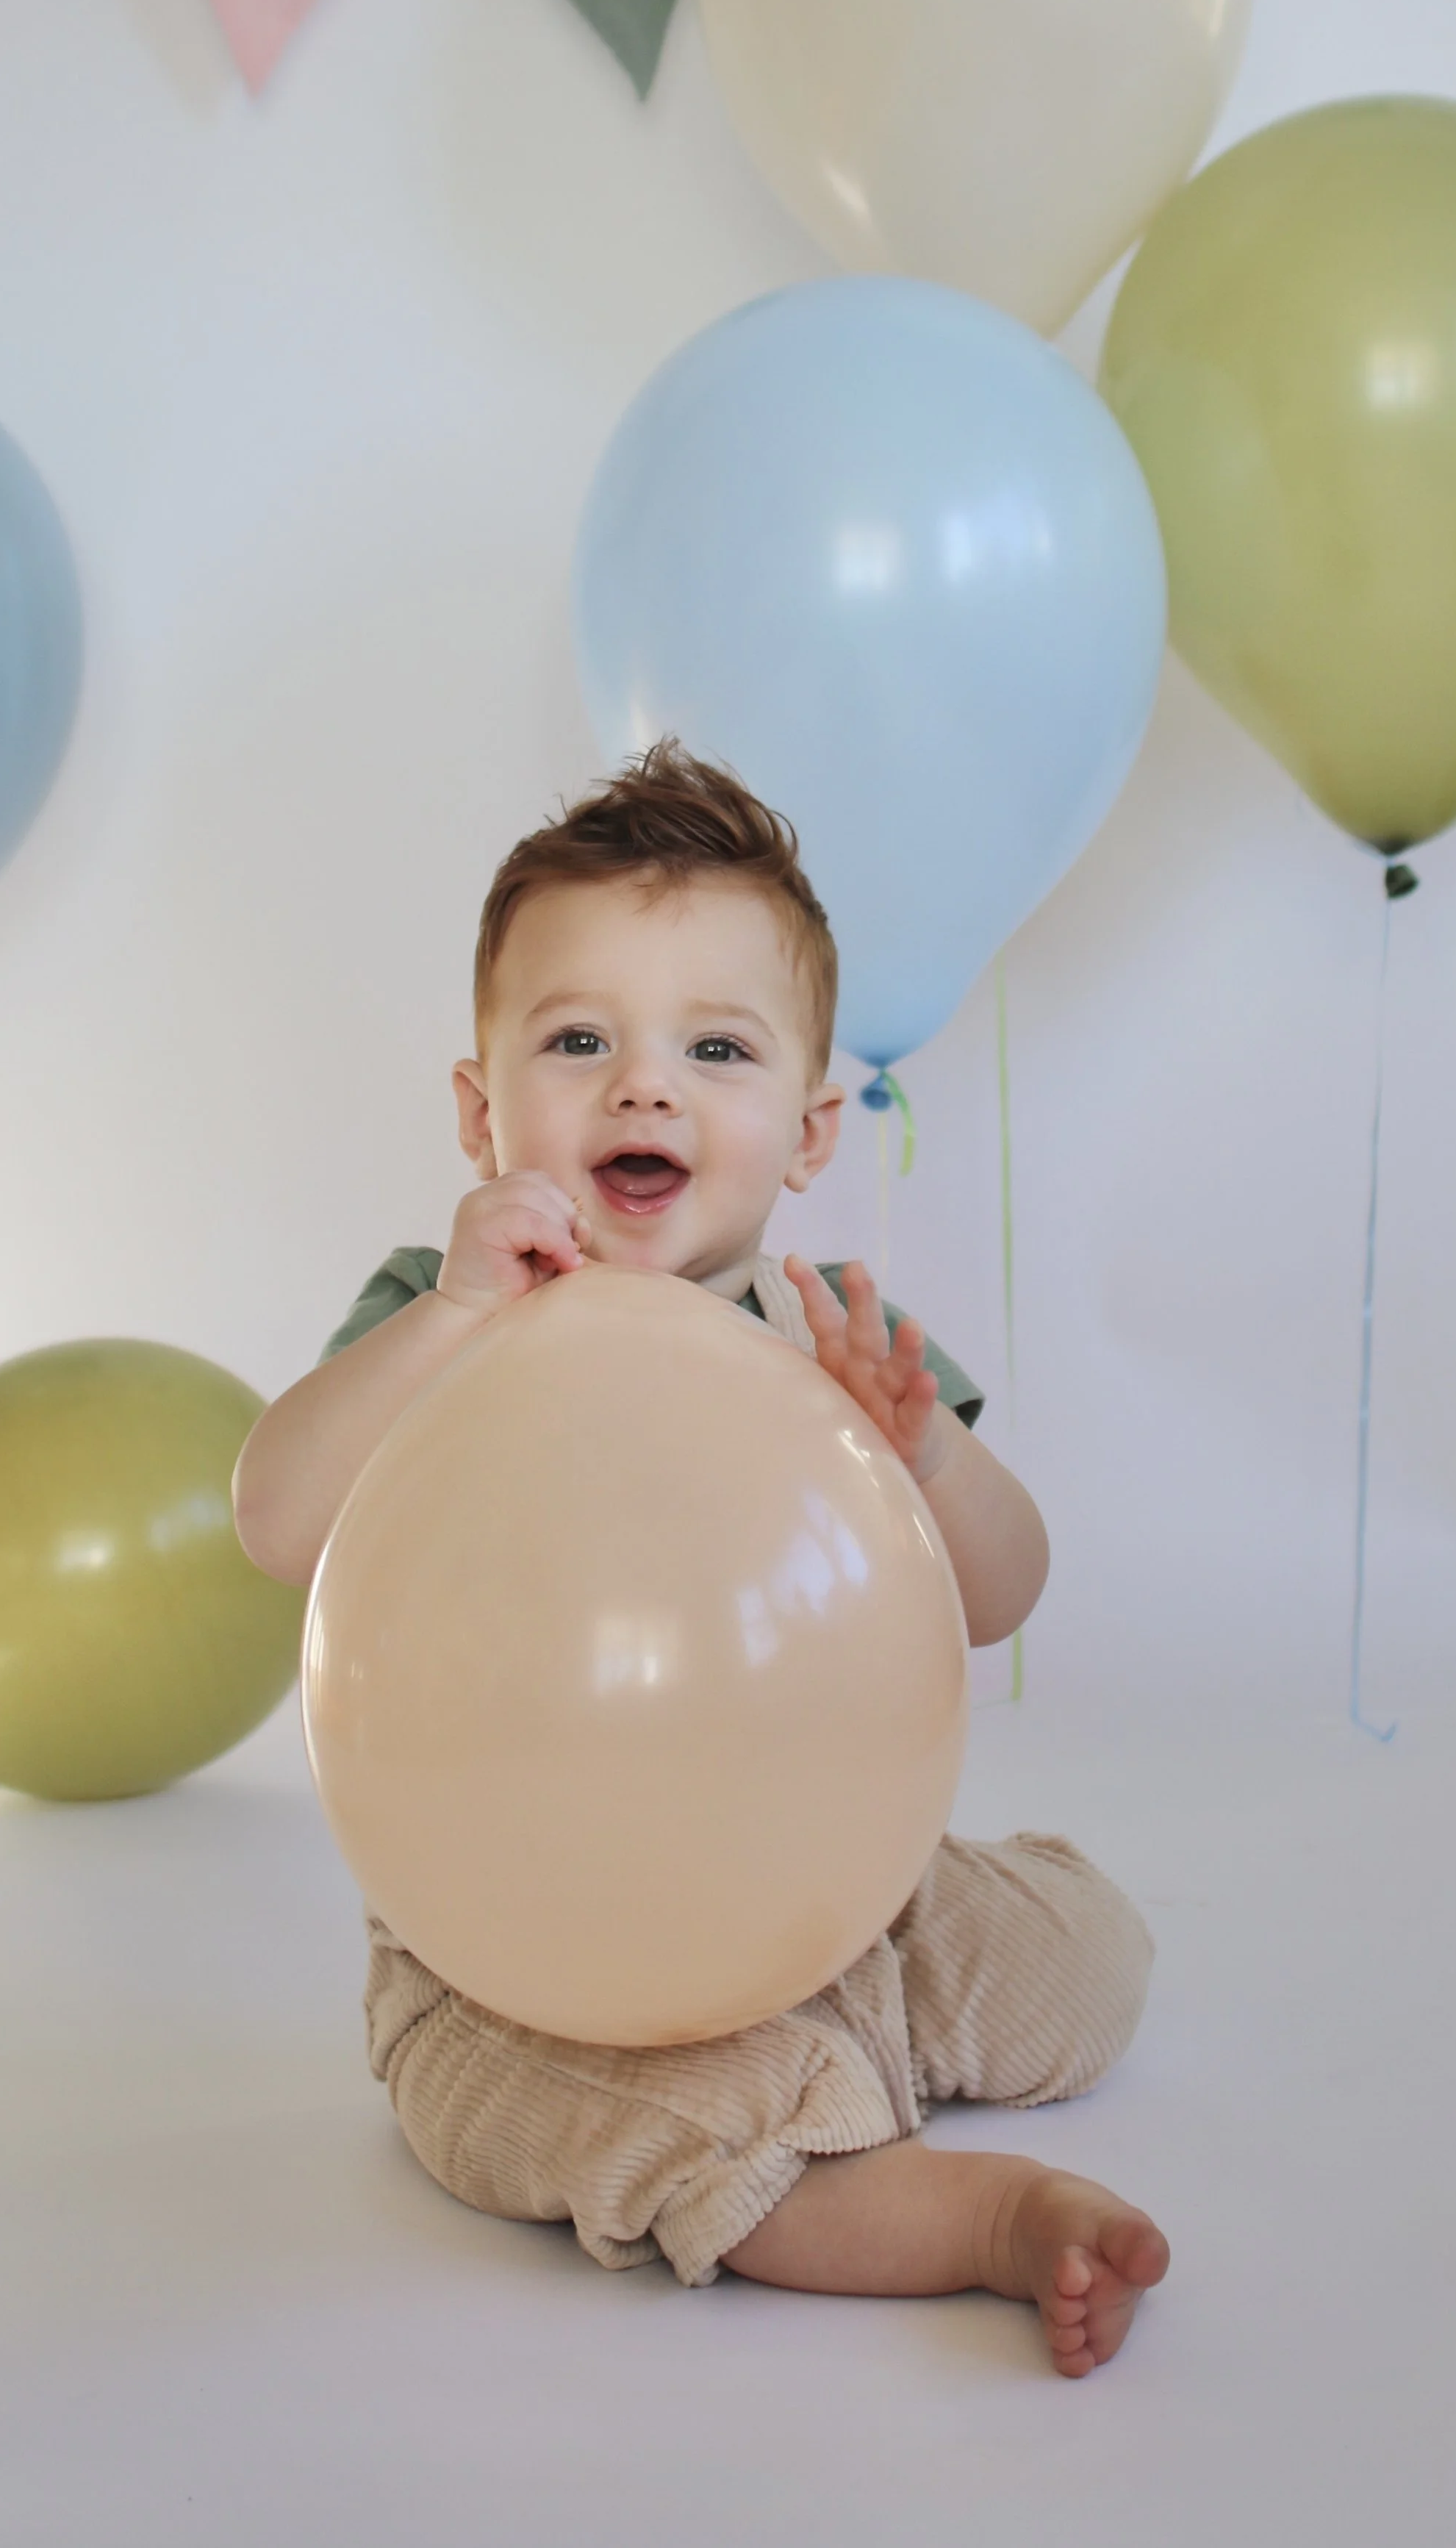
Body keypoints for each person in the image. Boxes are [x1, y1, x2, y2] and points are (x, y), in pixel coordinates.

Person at [234, 743, 1168, 2376]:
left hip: (827, 1890)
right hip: (518, 1965)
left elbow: (1004, 1594)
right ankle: (971, 2215)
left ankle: (851, 2041)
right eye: (578, 1040)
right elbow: (274, 1524)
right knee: (690, 2119)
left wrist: (922, 1450)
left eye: (712, 1048)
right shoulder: (445, 1321)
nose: (642, 1086)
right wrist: (452, 1317)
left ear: (807, 1132)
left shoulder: (826, 1345)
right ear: (481, 1110)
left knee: (1086, 1961)